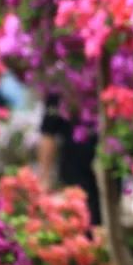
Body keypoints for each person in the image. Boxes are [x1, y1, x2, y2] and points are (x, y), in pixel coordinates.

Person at [37, 93, 102, 226]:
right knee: (83, 219)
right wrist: (44, 177)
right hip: (75, 168)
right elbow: (48, 135)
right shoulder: (60, 88)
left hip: (107, 166)